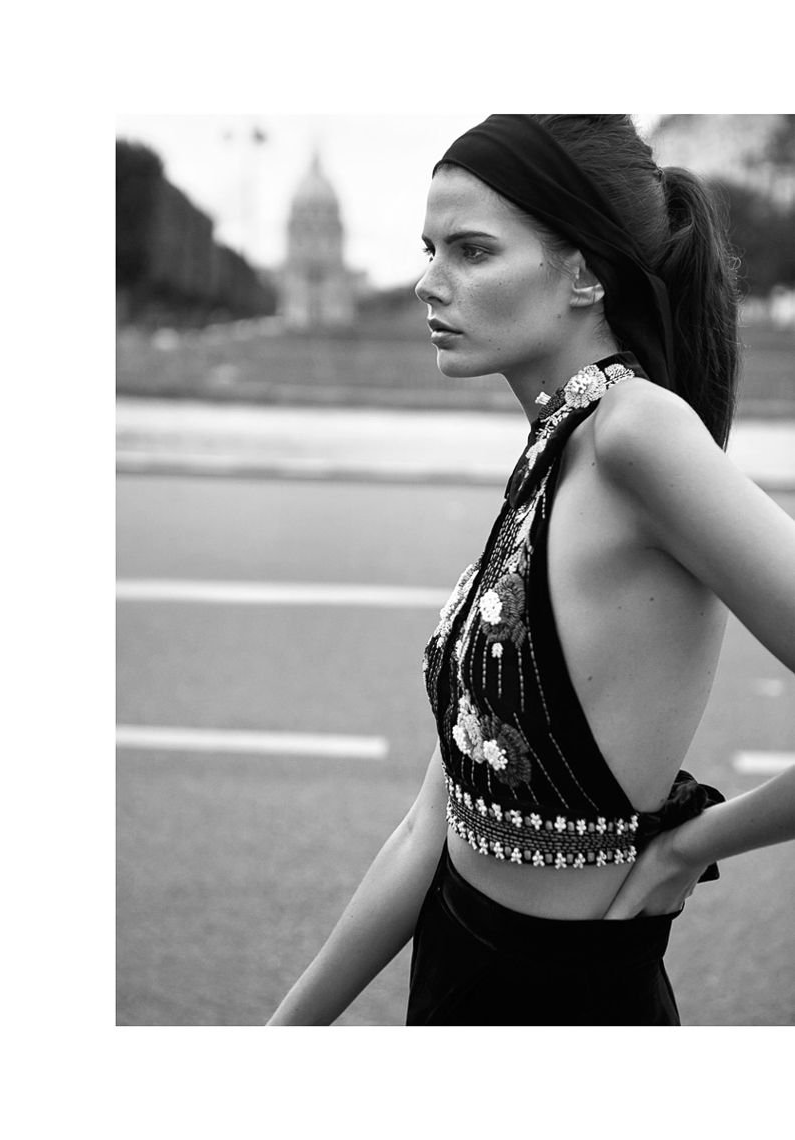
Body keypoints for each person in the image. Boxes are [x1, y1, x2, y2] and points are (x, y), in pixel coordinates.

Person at [267, 114, 795, 1026]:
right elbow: (428, 826)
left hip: (567, 1002)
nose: (429, 281)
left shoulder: (637, 431)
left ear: (586, 273)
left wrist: (689, 845)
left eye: (472, 251)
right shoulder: (557, 446)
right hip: (459, 970)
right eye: (429, 249)